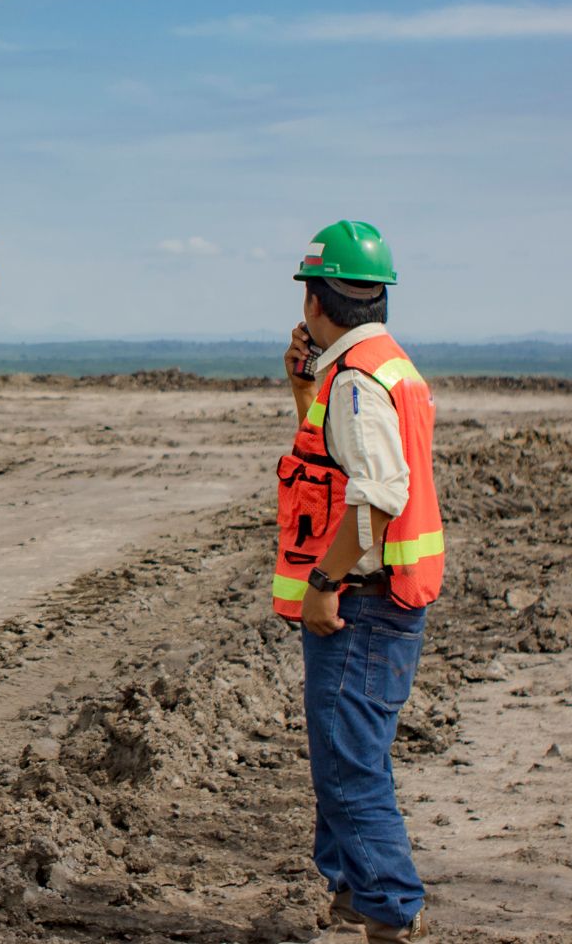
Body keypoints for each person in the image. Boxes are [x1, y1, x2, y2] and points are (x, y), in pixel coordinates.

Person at [273, 220, 444, 943]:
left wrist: (323, 581)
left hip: (361, 605)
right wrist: (301, 386)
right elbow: (333, 462)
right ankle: (352, 888)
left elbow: (378, 491)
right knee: (345, 755)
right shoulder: (380, 364)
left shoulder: (356, 381)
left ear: (316, 300)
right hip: (382, 600)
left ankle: (389, 913)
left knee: (350, 770)